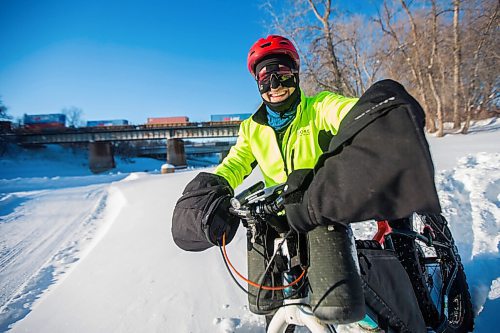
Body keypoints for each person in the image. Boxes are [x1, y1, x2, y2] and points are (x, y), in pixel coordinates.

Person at [172, 35, 441, 328]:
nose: (274, 85)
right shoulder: (252, 129)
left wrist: (371, 116)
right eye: (265, 78)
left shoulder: (318, 108)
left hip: (319, 212)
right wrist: (213, 187)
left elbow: (346, 112)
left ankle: (411, 313)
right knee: (272, 303)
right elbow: (235, 163)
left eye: (282, 74)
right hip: (276, 221)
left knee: (351, 293)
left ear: (295, 75)